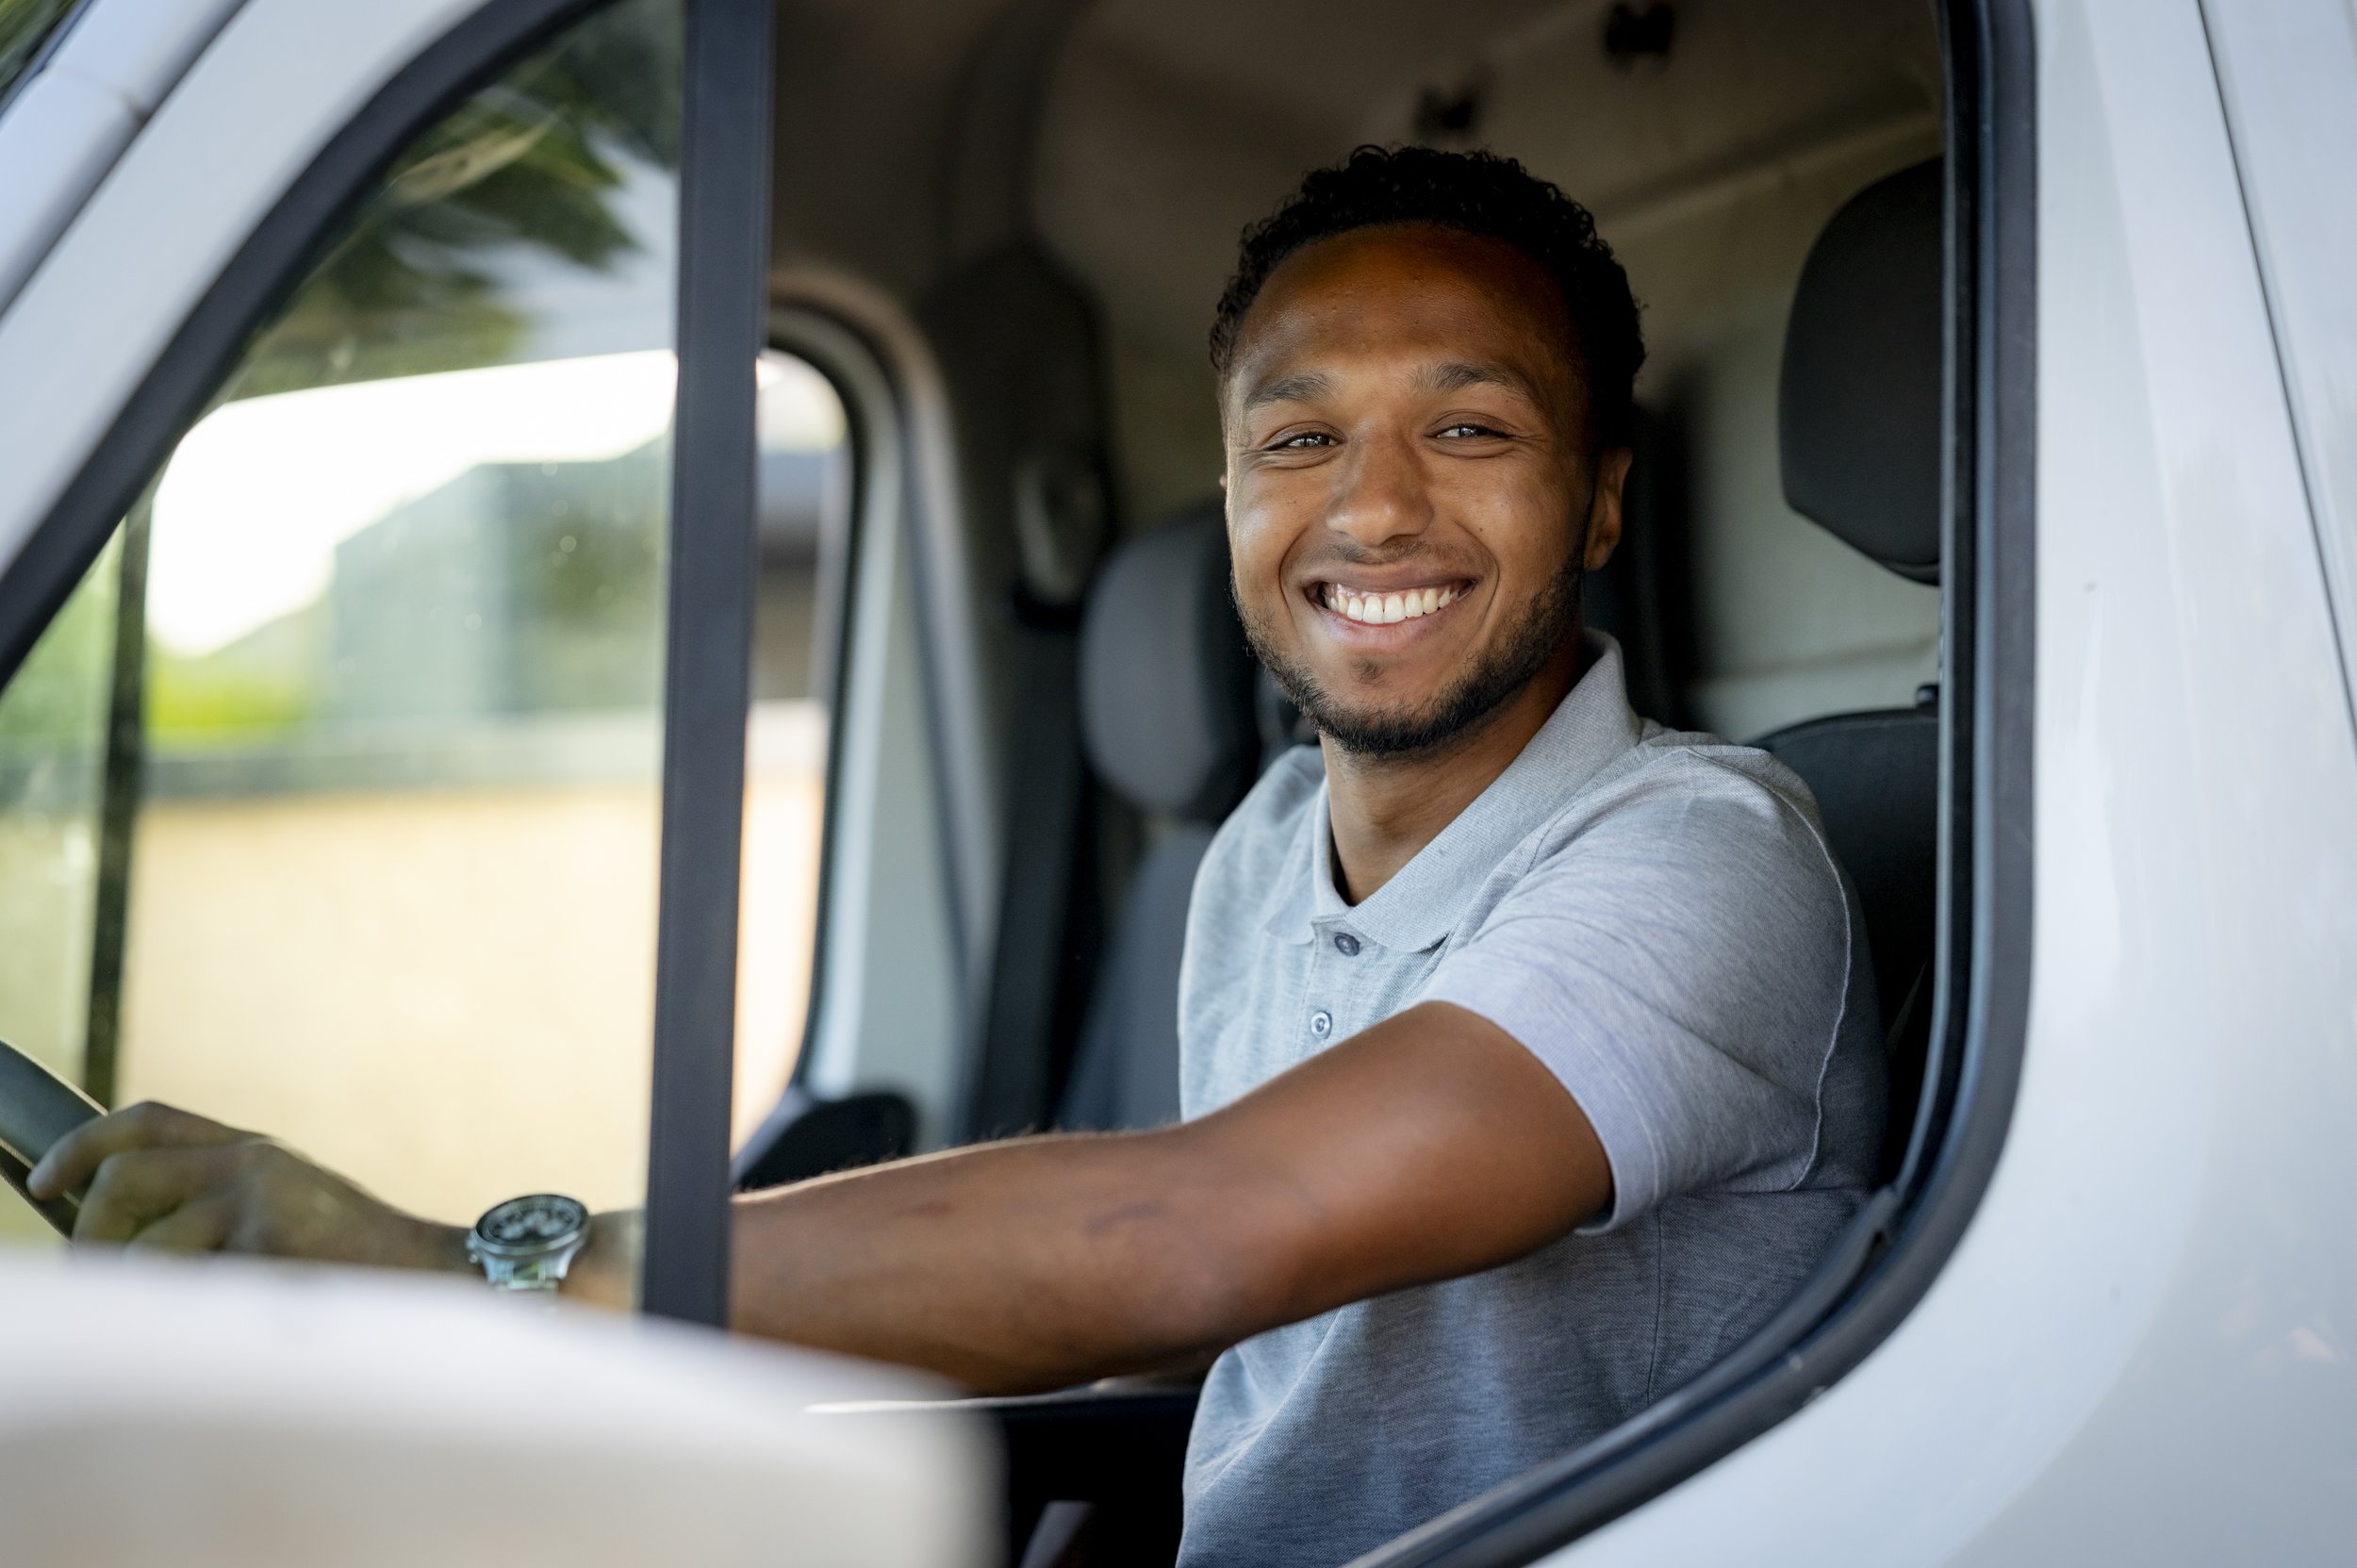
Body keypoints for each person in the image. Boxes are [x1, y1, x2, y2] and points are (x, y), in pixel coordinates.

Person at [29, 146, 1884, 1565]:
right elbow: (1212, 1378)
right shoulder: (1259, 851)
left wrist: (486, 1268)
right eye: (1296, 436)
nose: (1371, 506)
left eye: (1466, 428)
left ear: (1602, 492)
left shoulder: (1702, 861)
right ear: (1232, 496)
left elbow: (1188, 1236)